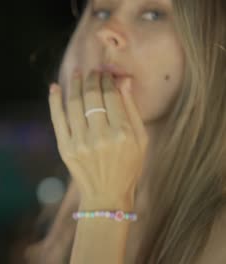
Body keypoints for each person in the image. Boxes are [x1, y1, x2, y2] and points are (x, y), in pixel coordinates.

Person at [26, 0, 226, 263]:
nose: (106, 30)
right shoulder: (60, 222)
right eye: (102, 11)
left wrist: (104, 205)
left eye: (153, 14)